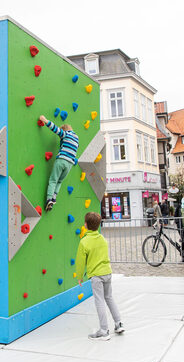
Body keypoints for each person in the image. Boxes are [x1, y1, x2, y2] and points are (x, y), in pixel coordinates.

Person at [75, 212, 124, 340]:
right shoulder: (102, 238)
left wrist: (79, 276)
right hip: (107, 272)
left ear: (85, 225)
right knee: (109, 297)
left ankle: (103, 330)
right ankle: (118, 323)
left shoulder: (84, 242)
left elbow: (80, 262)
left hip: (96, 276)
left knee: (100, 301)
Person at [39, 115, 79, 211]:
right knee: (59, 181)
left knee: (53, 180)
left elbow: (55, 129)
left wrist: (45, 120)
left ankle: (49, 199)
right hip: (69, 164)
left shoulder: (66, 134)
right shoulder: (76, 139)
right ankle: (54, 197)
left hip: (62, 159)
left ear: (65, 130)